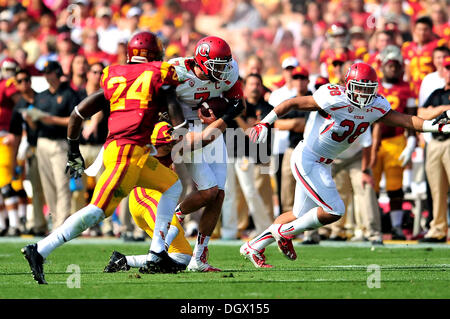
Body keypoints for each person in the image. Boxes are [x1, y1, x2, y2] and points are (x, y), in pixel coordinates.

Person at [241, 62, 450, 268]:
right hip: (307, 158)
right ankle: (285, 233)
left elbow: (407, 120)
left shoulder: (375, 105)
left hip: (323, 163)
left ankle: (254, 246)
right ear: (348, 85)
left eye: (368, 89)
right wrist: (264, 122)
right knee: (335, 209)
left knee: (297, 215)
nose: (363, 94)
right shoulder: (333, 97)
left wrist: (435, 127)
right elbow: (293, 103)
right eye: (359, 88)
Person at [21, 31, 185, 284]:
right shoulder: (158, 74)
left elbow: (77, 114)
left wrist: (73, 151)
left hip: (129, 152)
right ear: (154, 55)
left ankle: (157, 253)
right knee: (97, 211)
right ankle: (40, 249)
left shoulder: (114, 74)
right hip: (126, 154)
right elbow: (172, 101)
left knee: (172, 185)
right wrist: (182, 129)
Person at [169, 36, 245, 272]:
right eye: (217, 65)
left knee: (218, 195)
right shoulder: (176, 72)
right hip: (184, 133)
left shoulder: (229, 72)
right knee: (209, 191)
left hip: (213, 130)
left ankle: (199, 258)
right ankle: (175, 217)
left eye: (225, 64)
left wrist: (218, 121)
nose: (223, 70)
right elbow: (160, 103)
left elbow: (238, 105)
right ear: (202, 62)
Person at [104, 122, 193, 272]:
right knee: (172, 233)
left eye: (171, 144)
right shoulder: (143, 153)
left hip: (153, 198)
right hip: (144, 197)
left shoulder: (171, 147)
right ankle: (156, 257)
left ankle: (124, 260)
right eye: (165, 145)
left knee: (183, 255)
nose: (169, 148)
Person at [372, 45, 417, 240]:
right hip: (374, 141)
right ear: (382, 65)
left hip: (396, 140)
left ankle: (397, 226)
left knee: (395, 187)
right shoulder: (373, 86)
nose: (392, 68)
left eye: (396, 65)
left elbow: (411, 117)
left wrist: (412, 141)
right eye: (389, 65)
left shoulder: (407, 89)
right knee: (371, 187)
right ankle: (372, 226)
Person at [9, 68, 46, 236]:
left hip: (50, 144)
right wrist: (15, 159)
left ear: (30, 81)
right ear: (16, 85)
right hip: (34, 149)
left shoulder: (42, 99)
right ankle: (39, 224)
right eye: (20, 81)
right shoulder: (19, 107)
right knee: (36, 187)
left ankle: (60, 222)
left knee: (55, 186)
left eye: (26, 80)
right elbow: (16, 134)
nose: (24, 83)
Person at [417, 56, 450, 243]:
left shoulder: (436, 98)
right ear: (442, 71)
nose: (449, 72)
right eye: (447, 68)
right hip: (435, 142)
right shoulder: (437, 93)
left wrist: (435, 111)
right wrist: (445, 109)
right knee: (436, 189)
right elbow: (422, 114)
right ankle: (438, 229)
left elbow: (429, 113)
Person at [0, 57, 21, 236]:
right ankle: (3, 225)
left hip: (5, 136)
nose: (9, 72)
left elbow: (21, 105)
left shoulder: (9, 84)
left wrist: (15, 132)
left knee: (6, 182)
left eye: (11, 69)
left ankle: (15, 224)